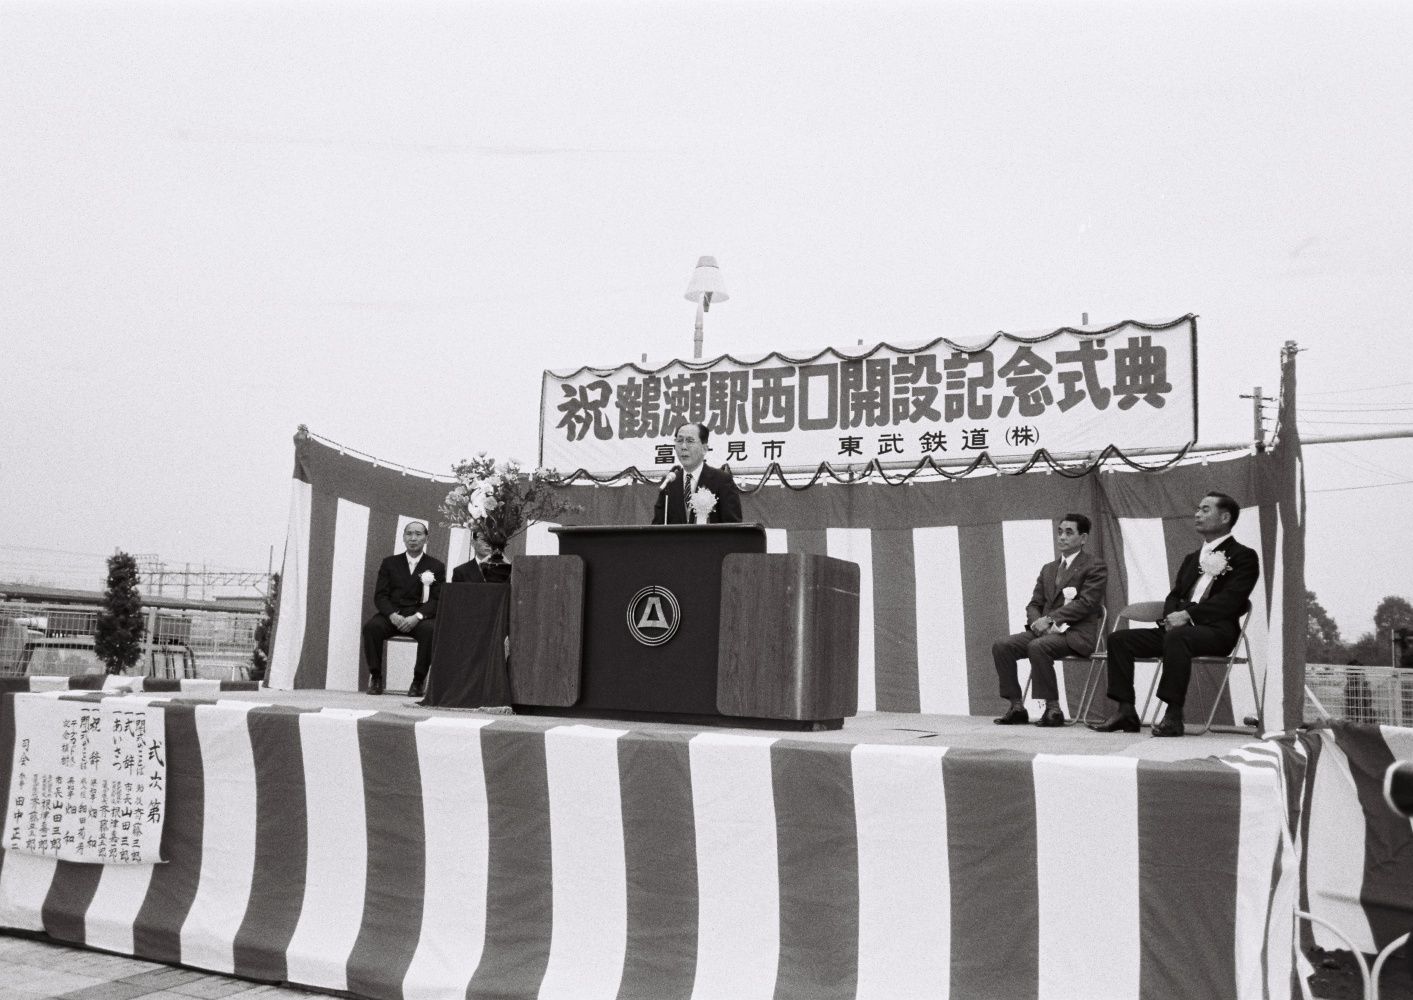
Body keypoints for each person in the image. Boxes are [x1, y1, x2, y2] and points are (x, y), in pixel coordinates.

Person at [1091, 492, 1259, 737]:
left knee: (1177, 639)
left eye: (1205, 509)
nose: (1197, 514)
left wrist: (1188, 617)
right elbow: (1174, 595)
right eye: (1198, 509)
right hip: (1177, 631)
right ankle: (1126, 710)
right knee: (1119, 640)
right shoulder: (1192, 558)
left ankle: (1173, 714)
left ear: (1225, 517)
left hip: (1217, 632)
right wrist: (1172, 617)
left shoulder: (1244, 556)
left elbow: (1231, 601)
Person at [992, 514, 1108, 727]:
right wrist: (1038, 623)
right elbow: (1034, 604)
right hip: (1043, 633)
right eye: (1060, 532)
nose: (1062, 537)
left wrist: (1049, 619)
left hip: (1077, 634)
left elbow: (1087, 603)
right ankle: (1016, 706)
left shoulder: (1095, 566)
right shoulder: (1048, 569)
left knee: (1038, 647)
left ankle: (1053, 709)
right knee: (1002, 646)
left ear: (1083, 538)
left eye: (1069, 532)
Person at [360, 520, 445, 697]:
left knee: (431, 630)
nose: (413, 538)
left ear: (426, 539)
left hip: (419, 618)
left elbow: (437, 599)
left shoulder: (436, 566)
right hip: (393, 615)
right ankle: (376, 677)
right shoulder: (389, 563)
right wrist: (391, 615)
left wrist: (418, 616)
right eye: (409, 534)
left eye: (418, 534)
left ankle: (418, 681)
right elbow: (380, 595)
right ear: (403, 537)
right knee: (371, 627)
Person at [650, 421, 743, 524]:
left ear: (704, 449)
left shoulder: (722, 480)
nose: (683, 447)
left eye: (690, 441)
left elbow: (733, 527)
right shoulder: (670, 482)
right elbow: (657, 527)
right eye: (679, 440)